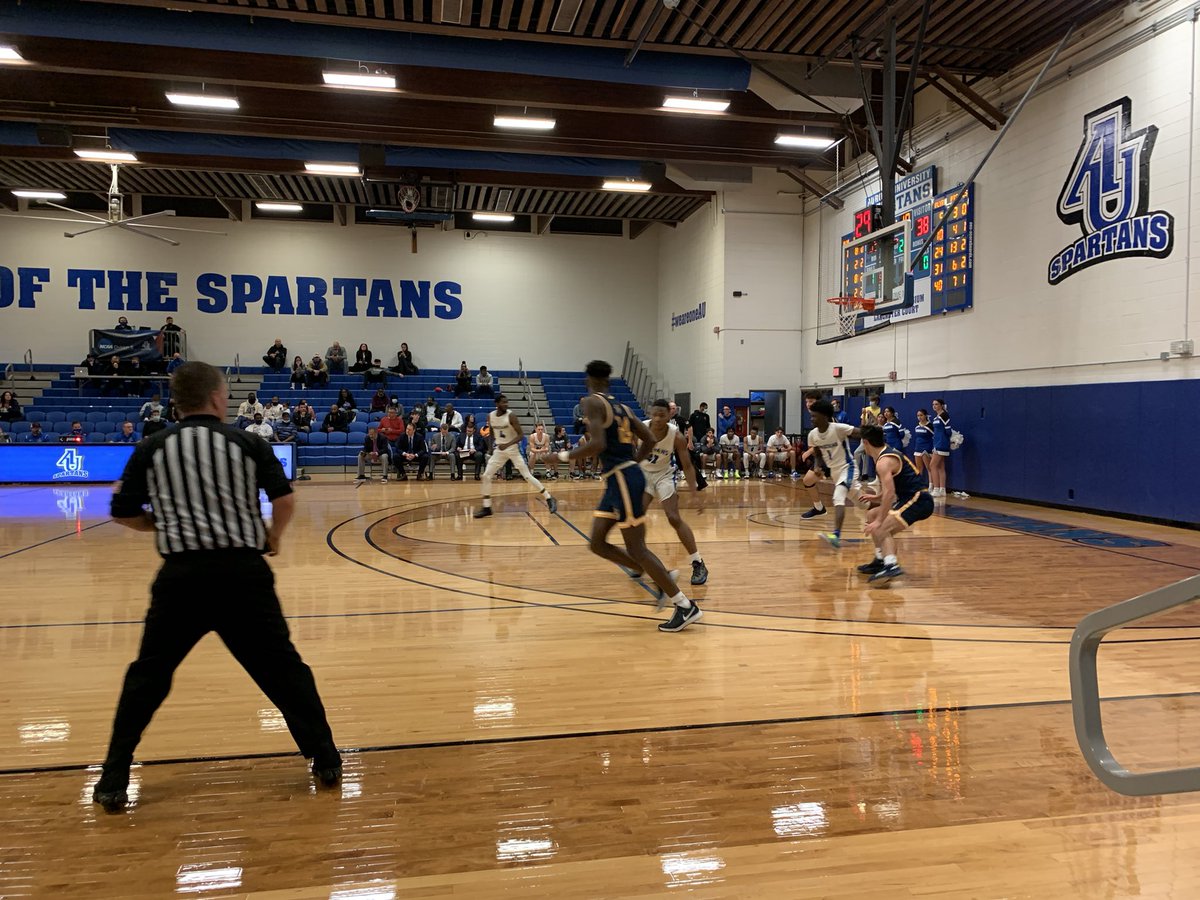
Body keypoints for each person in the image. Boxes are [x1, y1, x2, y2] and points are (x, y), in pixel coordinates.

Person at [91, 361, 341, 813]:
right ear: (216, 398)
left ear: (177, 402)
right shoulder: (245, 442)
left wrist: (161, 524)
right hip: (243, 575)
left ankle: (113, 775)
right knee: (284, 672)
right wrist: (272, 537)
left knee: (148, 676)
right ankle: (325, 759)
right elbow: (284, 499)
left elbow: (122, 511)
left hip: (181, 579)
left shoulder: (152, 446)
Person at [559, 361, 698, 632]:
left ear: (588, 379)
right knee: (597, 542)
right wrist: (634, 461)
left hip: (622, 479)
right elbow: (648, 438)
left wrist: (563, 455)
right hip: (618, 479)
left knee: (637, 548)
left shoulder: (591, 402)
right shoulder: (621, 406)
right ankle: (662, 576)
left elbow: (597, 443)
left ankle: (684, 605)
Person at [639, 399, 708, 586]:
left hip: (664, 475)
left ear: (669, 415)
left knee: (673, 518)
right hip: (644, 475)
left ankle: (698, 562)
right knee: (636, 517)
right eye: (655, 414)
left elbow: (687, 465)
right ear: (650, 414)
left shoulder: (676, 436)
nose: (658, 418)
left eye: (662, 415)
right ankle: (639, 559)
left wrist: (694, 494)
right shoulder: (640, 429)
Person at [856, 424, 934, 582]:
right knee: (872, 514)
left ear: (865, 442)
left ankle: (891, 565)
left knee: (882, 527)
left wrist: (879, 521)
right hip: (909, 497)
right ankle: (880, 560)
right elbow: (891, 490)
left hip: (919, 500)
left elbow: (890, 493)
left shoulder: (883, 462)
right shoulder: (885, 454)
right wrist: (876, 498)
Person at [474, 394, 556, 518]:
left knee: (527, 476)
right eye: (503, 402)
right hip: (500, 450)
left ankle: (549, 498)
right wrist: (490, 448)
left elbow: (520, 435)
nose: (506, 404)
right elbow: (491, 432)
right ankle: (487, 507)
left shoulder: (511, 416)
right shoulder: (490, 416)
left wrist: (507, 444)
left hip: (512, 449)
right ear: (497, 404)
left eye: (507, 402)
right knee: (486, 476)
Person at [800, 400, 862, 548]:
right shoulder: (813, 434)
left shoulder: (838, 428)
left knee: (838, 497)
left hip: (848, 468)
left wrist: (873, 433)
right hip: (835, 472)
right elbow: (818, 452)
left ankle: (836, 535)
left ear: (824, 416)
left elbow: (860, 432)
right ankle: (891, 506)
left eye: (814, 416)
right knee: (864, 503)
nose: (811, 419)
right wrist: (817, 466)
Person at [929, 399, 951, 498]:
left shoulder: (944, 415)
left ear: (942, 405)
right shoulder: (937, 417)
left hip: (941, 443)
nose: (934, 406)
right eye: (933, 404)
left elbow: (948, 431)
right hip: (937, 442)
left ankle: (936, 489)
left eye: (936, 404)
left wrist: (948, 439)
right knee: (940, 466)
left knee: (932, 465)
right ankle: (942, 489)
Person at [912, 409, 933, 476]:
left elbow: (934, 437)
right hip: (918, 449)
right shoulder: (917, 426)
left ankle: (931, 485)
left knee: (929, 468)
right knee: (918, 468)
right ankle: (919, 485)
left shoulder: (930, 426)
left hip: (926, 449)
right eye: (918, 415)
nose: (919, 417)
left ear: (925, 416)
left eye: (921, 415)